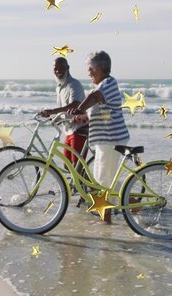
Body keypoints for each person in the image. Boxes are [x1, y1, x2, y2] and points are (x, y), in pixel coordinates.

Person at [69, 50, 130, 223]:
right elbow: (98, 110)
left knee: (102, 182)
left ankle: (107, 224)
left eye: (89, 68)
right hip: (105, 140)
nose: (88, 72)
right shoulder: (100, 86)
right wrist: (82, 116)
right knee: (102, 180)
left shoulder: (108, 83)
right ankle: (135, 205)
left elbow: (95, 98)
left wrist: (80, 108)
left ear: (99, 68)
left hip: (111, 139)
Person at [40, 57, 88, 164]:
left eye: (61, 68)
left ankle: (84, 181)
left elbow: (75, 104)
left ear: (68, 68)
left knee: (77, 166)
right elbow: (64, 109)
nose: (58, 71)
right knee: (67, 165)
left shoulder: (74, 84)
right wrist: (53, 117)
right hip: (69, 130)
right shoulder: (59, 87)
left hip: (79, 129)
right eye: (55, 69)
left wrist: (53, 110)